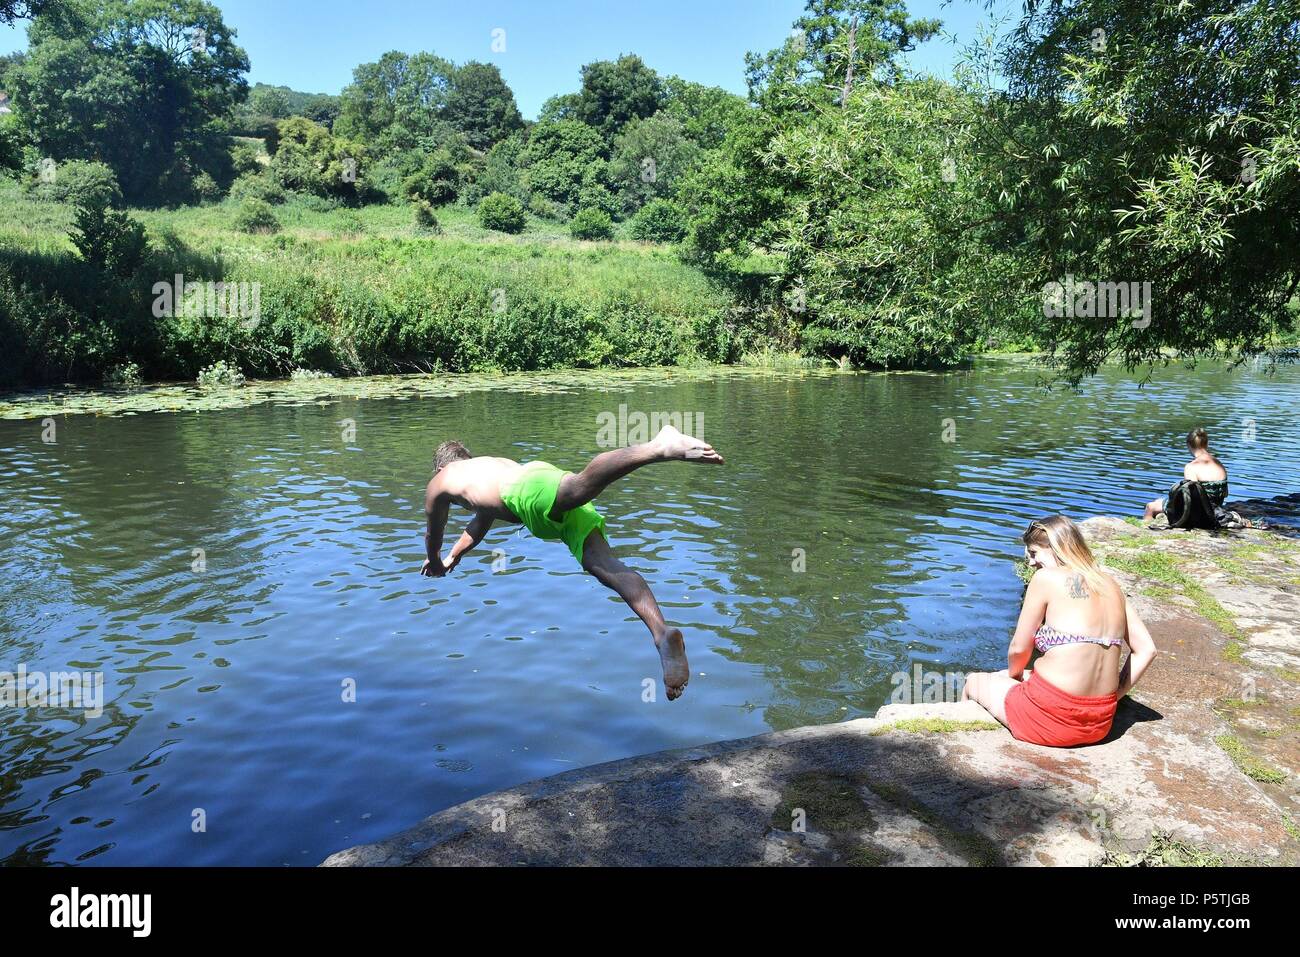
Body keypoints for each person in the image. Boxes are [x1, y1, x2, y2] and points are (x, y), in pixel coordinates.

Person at [420, 425, 724, 701]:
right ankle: (661, 633)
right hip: (536, 494)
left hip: (527, 491)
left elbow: (434, 530)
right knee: (604, 565)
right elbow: (480, 522)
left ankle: (658, 447)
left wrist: (434, 560)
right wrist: (452, 557)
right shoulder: (484, 469)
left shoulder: (442, 480)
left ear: (443, 466)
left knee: (579, 486)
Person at [963, 516, 1158, 747]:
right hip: (1099, 723)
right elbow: (1146, 649)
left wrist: (1014, 679)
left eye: (1034, 554)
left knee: (973, 681)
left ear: (1056, 548)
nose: (1031, 563)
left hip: (1048, 718)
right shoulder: (1110, 583)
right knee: (1005, 675)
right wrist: (1114, 697)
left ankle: (966, 743)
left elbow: (1018, 649)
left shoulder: (1046, 578)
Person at [1144, 427, 1229, 523]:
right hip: (1216, 510)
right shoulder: (1219, 464)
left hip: (1201, 515)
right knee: (1160, 500)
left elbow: (1190, 499)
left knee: (1151, 506)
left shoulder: (1191, 467)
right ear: (1207, 444)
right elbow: (1225, 494)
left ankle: (1145, 531)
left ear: (1188, 445)